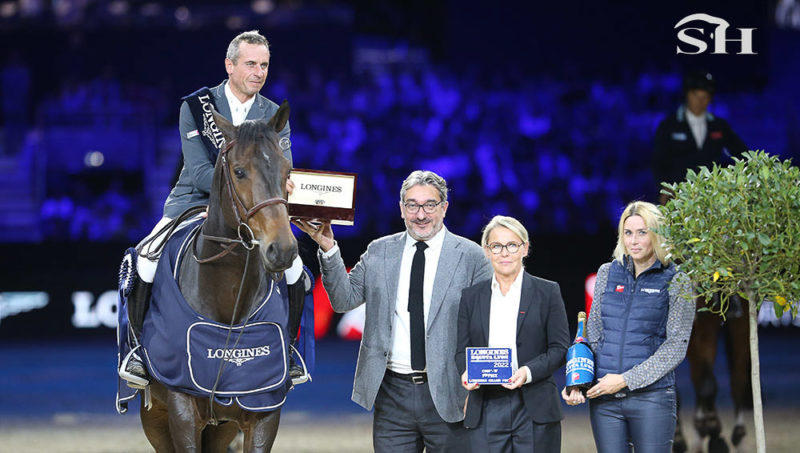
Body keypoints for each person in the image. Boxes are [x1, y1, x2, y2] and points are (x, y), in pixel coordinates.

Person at [119, 30, 309, 388]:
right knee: (144, 258)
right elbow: (197, 169)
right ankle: (136, 351)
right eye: (251, 64)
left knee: (296, 267)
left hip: (252, 207)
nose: (259, 72)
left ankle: (292, 349)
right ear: (230, 65)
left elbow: (282, 167)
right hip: (194, 199)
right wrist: (223, 206)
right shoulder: (195, 106)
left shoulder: (273, 113)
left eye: (264, 65)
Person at [293, 170, 491, 452]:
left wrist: (481, 391)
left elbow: (485, 328)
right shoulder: (380, 251)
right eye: (412, 205)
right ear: (401, 209)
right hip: (392, 396)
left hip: (452, 394)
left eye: (429, 205)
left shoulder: (471, 257)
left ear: (444, 207)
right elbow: (343, 300)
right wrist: (328, 247)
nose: (420, 214)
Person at [561, 201, 695, 452]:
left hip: (652, 399)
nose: (633, 240)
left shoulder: (677, 280)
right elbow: (595, 334)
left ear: (658, 234)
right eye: (628, 232)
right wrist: (578, 381)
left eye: (642, 232)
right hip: (605, 400)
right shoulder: (607, 273)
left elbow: (676, 347)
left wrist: (625, 380)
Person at [455, 215, 569, 452]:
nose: (504, 252)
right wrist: (466, 372)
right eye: (496, 246)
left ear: (525, 248)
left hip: (534, 405)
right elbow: (461, 351)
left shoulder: (547, 291)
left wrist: (527, 372)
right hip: (485, 406)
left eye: (512, 245)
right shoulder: (471, 296)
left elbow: (559, 349)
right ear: (487, 251)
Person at [652, 70, 747, 204]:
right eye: (696, 95)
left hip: (711, 197)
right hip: (678, 197)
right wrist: (663, 189)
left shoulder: (719, 126)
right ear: (687, 94)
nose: (700, 101)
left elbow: (743, 154)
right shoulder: (669, 126)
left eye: (705, 97)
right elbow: (658, 161)